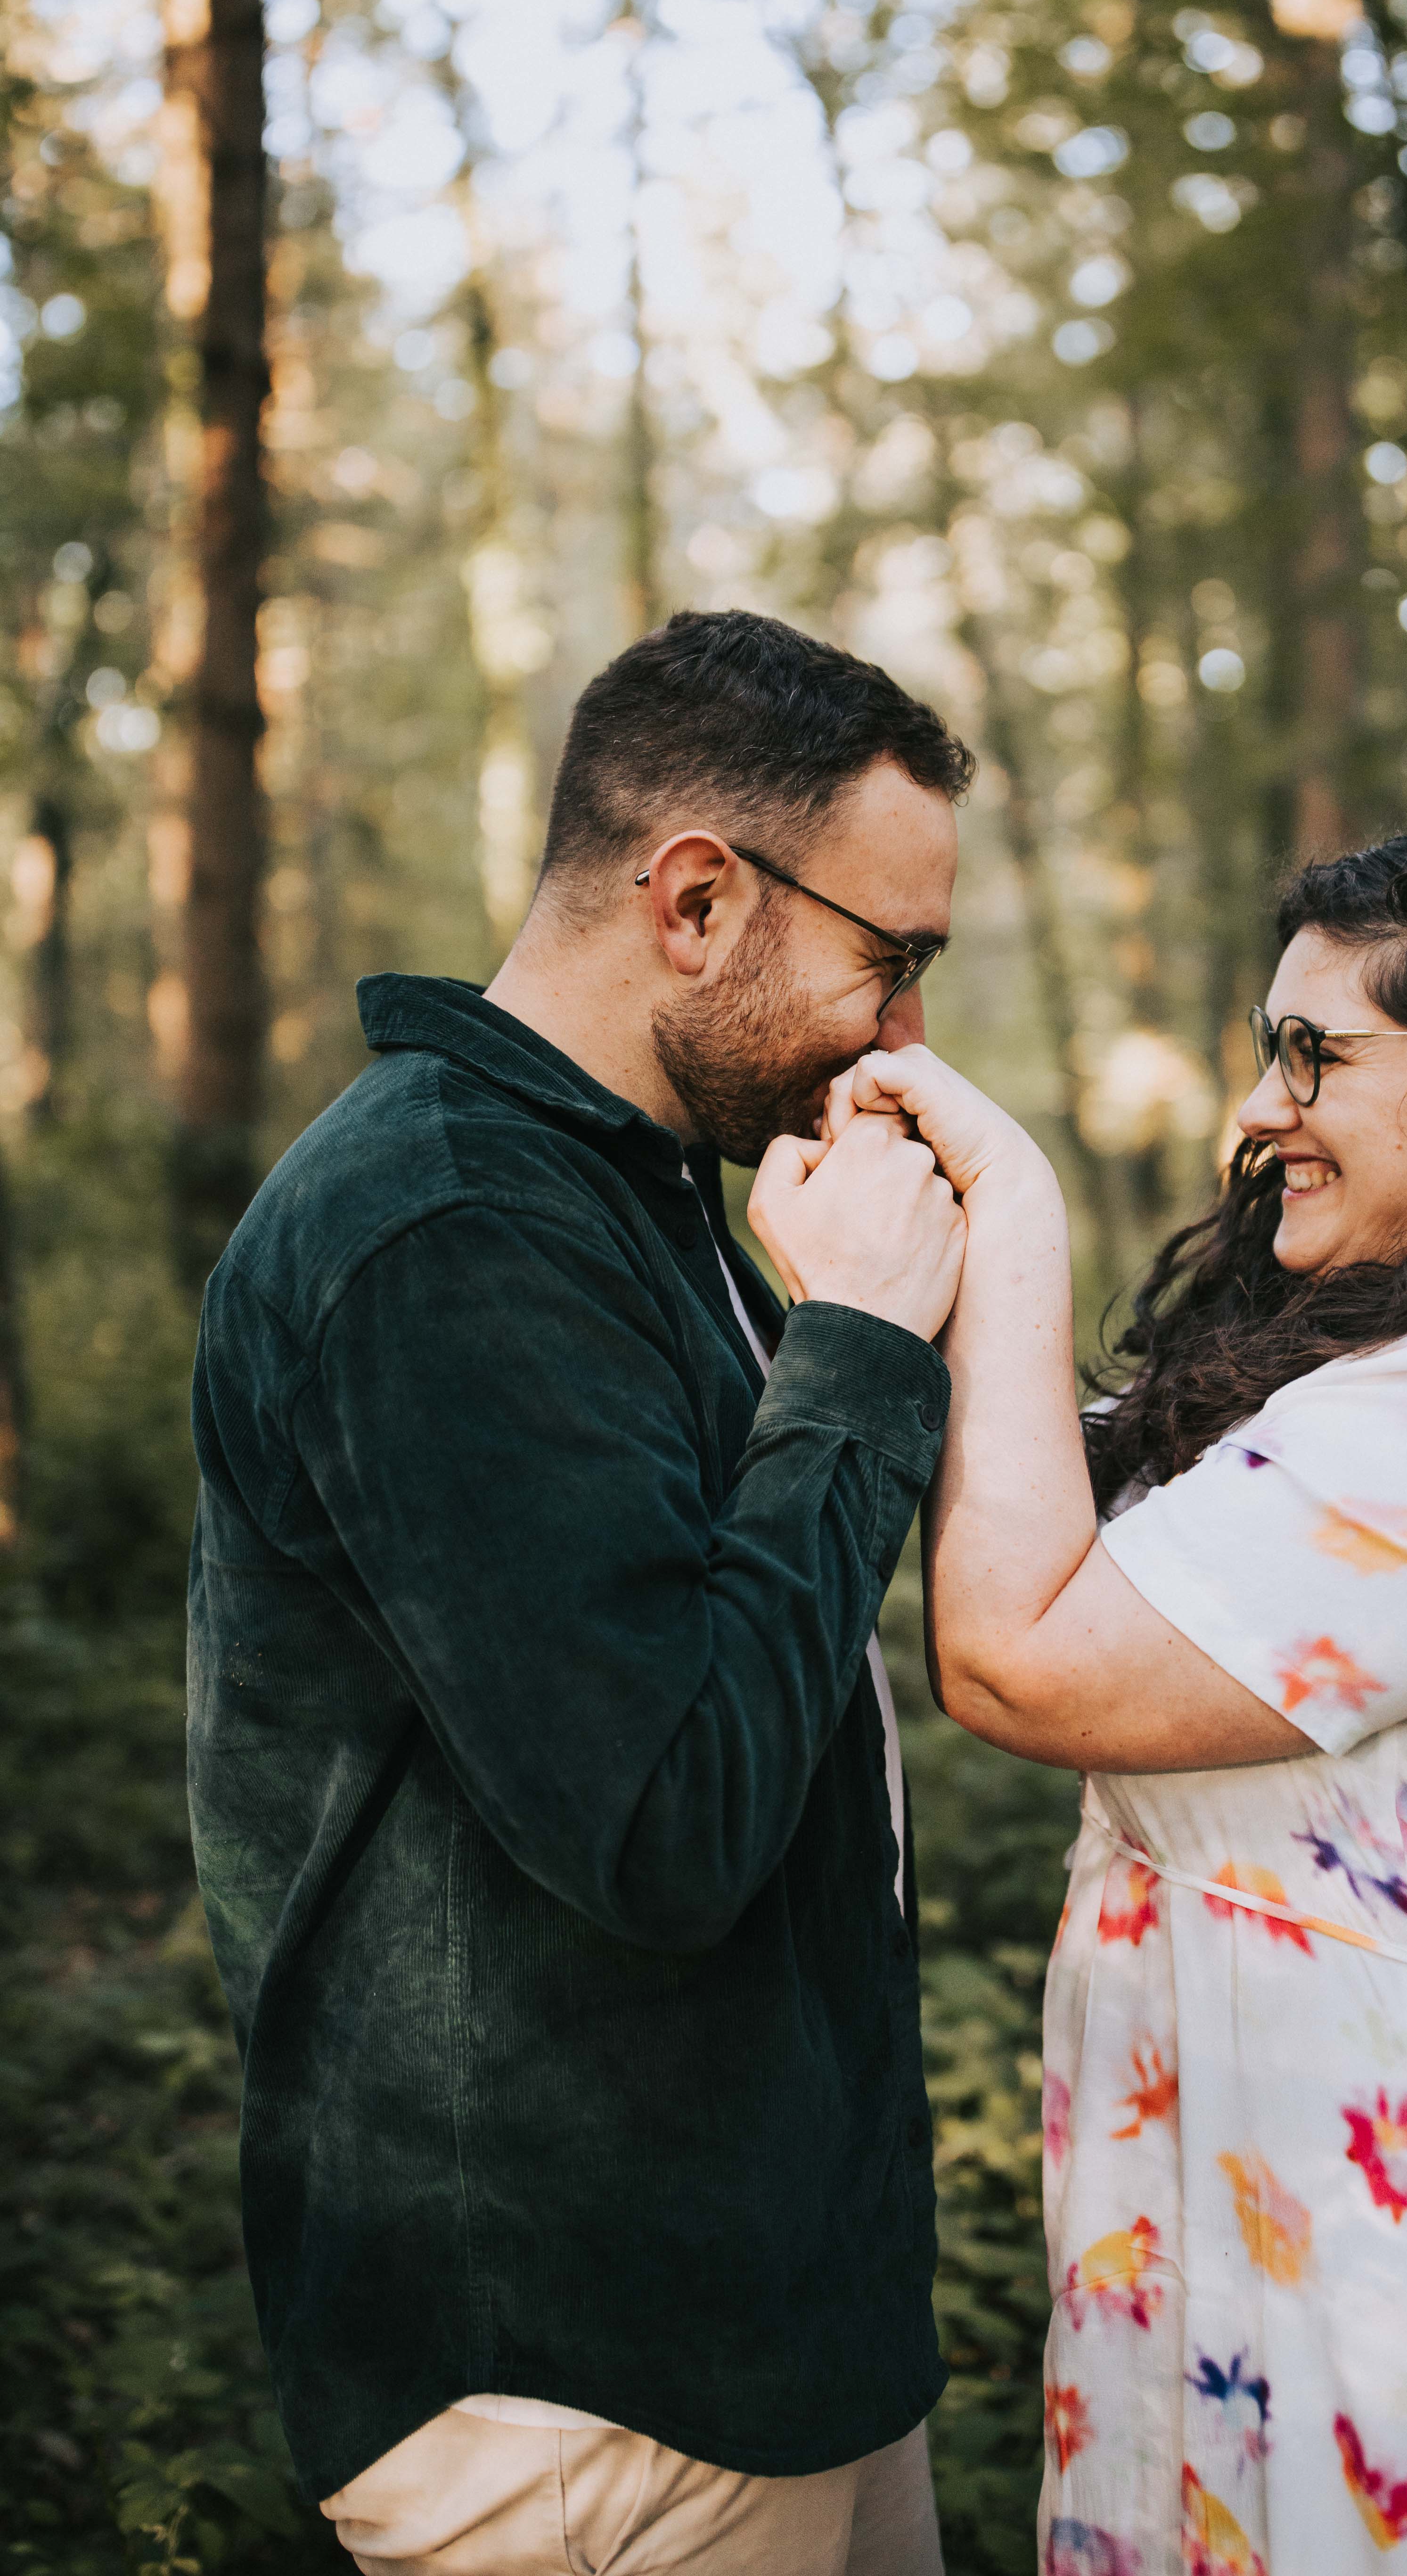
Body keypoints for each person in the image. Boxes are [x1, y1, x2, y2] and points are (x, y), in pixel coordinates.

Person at [785, 823, 1407, 2576]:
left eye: (1319, 1055)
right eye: (1272, 1048)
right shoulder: (1379, 1362)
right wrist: (894, 1236)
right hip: (1272, 2260)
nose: (1259, 1112)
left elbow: (1020, 1654)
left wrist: (1014, 1213)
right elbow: (1039, 1495)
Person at [188, 609, 977, 2576]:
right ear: (698, 900)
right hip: (580, 2386)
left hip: (769, 2322)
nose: (901, 1035)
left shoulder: (636, 1190)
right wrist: (859, 1347)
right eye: (889, 960)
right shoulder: (445, 1229)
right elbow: (667, 1816)